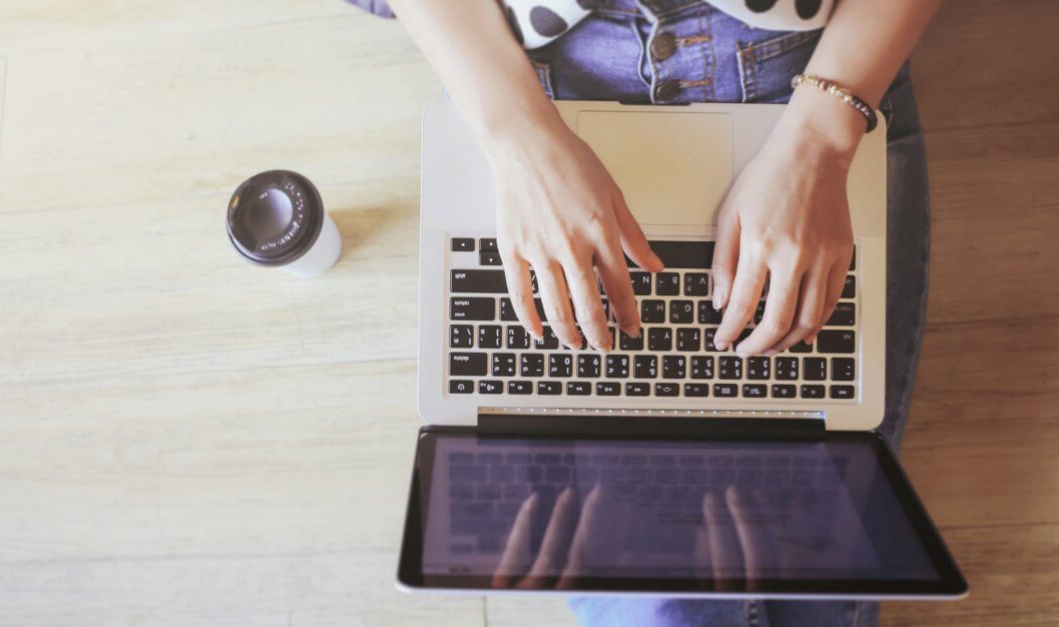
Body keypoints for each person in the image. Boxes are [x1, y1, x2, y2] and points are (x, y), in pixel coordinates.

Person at [345, 0, 941, 624]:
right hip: (522, 70)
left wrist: (820, 140)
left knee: (700, 603)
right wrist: (518, 137)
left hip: (812, 72)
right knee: (759, 586)